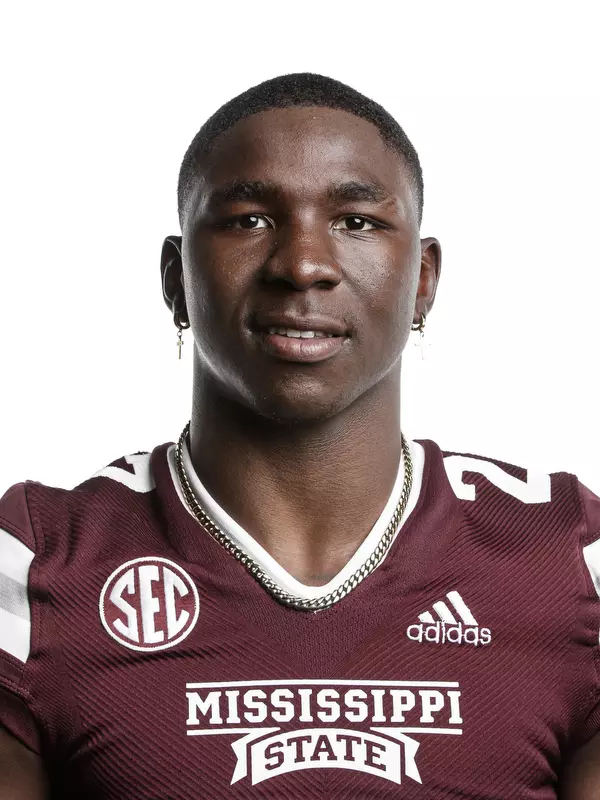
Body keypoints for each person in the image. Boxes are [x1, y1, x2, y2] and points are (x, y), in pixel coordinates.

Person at [0, 71, 599, 799]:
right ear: (175, 278)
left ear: (424, 280)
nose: (303, 265)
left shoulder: (567, 558)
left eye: (356, 221)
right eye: (250, 218)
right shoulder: (35, 563)